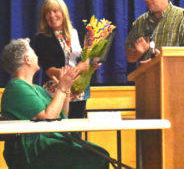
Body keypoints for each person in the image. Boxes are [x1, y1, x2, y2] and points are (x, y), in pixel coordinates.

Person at [1, 38, 109, 169]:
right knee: (96, 158)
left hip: (49, 142)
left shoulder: (37, 88)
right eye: (33, 53)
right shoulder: (17, 87)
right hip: (34, 149)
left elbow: (63, 114)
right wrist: (62, 88)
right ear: (27, 59)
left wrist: (66, 90)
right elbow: (48, 118)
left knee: (100, 154)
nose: (37, 56)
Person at [34, 0, 97, 118]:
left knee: (76, 130)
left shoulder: (76, 33)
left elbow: (85, 59)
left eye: (55, 11)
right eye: (47, 13)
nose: (52, 16)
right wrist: (76, 70)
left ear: (63, 12)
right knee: (59, 130)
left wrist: (91, 63)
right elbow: (49, 69)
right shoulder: (41, 39)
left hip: (79, 91)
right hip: (56, 90)